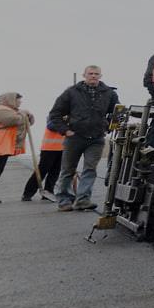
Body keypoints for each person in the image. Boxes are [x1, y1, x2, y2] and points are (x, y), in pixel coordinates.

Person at [48, 66, 120, 212]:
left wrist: (108, 127)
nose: (93, 76)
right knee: (68, 170)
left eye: (96, 74)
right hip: (74, 137)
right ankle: (64, 200)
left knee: (90, 169)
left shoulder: (109, 93)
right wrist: (66, 131)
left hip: (96, 138)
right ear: (84, 75)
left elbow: (117, 113)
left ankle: (82, 200)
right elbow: (55, 114)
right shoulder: (71, 92)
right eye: (90, 73)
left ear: (100, 76)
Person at [22, 126, 65, 201]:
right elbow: (52, 126)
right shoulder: (54, 118)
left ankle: (48, 192)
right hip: (49, 148)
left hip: (63, 148)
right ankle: (27, 193)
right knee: (42, 171)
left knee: (55, 172)